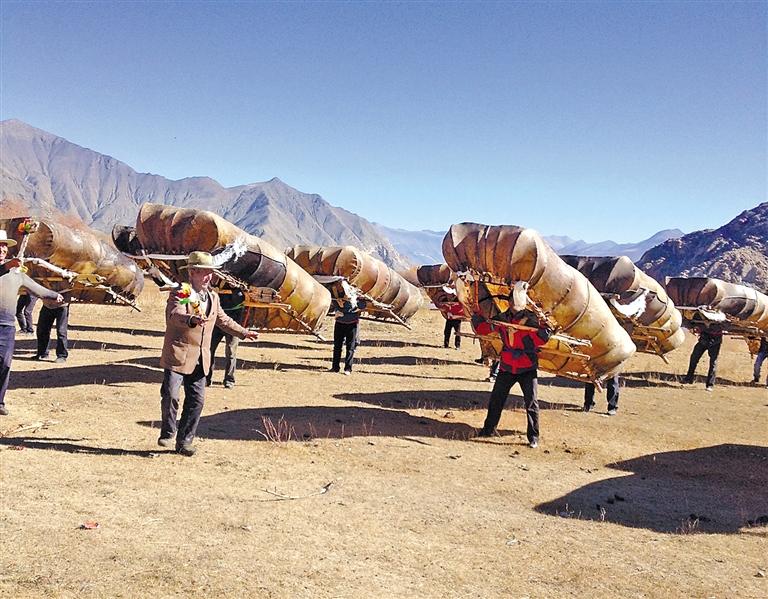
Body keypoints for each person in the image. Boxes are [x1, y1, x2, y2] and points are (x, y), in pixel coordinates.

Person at [158, 251, 259, 456]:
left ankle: (185, 442)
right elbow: (174, 314)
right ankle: (168, 432)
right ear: (192, 272)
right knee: (171, 394)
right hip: (179, 354)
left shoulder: (213, 297)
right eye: (205, 272)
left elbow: (223, 320)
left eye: (211, 272)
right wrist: (191, 320)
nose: (209, 276)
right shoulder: (183, 292)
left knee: (197, 401)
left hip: (201, 358)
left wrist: (243, 332)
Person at [472, 282, 552, 448]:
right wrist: (476, 315)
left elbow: (541, 338)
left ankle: (533, 437)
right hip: (507, 367)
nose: (515, 304)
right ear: (509, 302)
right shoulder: (502, 319)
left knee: (531, 403)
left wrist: (545, 326)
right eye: (512, 301)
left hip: (527, 367)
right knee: (496, 400)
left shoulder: (532, 319)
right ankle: (488, 430)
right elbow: (484, 329)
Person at [0, 229, 63, 415]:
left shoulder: (16, 274)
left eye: (4, 246)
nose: (2, 249)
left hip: (7, 327)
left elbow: (36, 289)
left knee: (4, 365)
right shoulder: (9, 267)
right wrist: (7, 266)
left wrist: (54, 295)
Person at [206, 285, 246, 389]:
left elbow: (240, 299)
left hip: (234, 323)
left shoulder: (239, 284)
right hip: (216, 322)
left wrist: (234, 289)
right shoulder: (215, 283)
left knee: (231, 352)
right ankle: (206, 378)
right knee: (209, 350)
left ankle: (229, 380)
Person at [329, 281, 367, 375]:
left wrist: (359, 299)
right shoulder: (335, 293)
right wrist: (339, 305)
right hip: (340, 322)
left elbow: (362, 305)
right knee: (337, 346)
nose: (339, 287)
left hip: (352, 323)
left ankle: (348, 368)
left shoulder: (354, 293)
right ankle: (335, 367)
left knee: (350, 347)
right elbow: (335, 305)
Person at [683, 323, 724, 391]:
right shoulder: (700, 318)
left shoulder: (721, 319)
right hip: (704, 339)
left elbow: (726, 326)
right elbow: (692, 324)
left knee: (713, 363)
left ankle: (710, 385)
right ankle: (688, 378)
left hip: (715, 341)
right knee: (694, 358)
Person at [35, 298, 70, 363]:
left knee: (61, 331)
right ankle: (42, 353)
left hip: (62, 306)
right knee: (42, 330)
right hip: (47, 305)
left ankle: (62, 356)